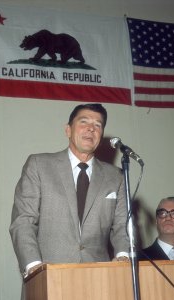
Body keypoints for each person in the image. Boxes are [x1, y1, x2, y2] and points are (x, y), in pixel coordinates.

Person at [9, 103, 129, 282]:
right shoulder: (38, 165)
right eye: (84, 122)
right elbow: (23, 221)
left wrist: (123, 255)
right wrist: (35, 268)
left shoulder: (116, 176)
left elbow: (122, 226)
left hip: (100, 280)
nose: (91, 128)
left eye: (98, 125)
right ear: (68, 130)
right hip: (48, 277)